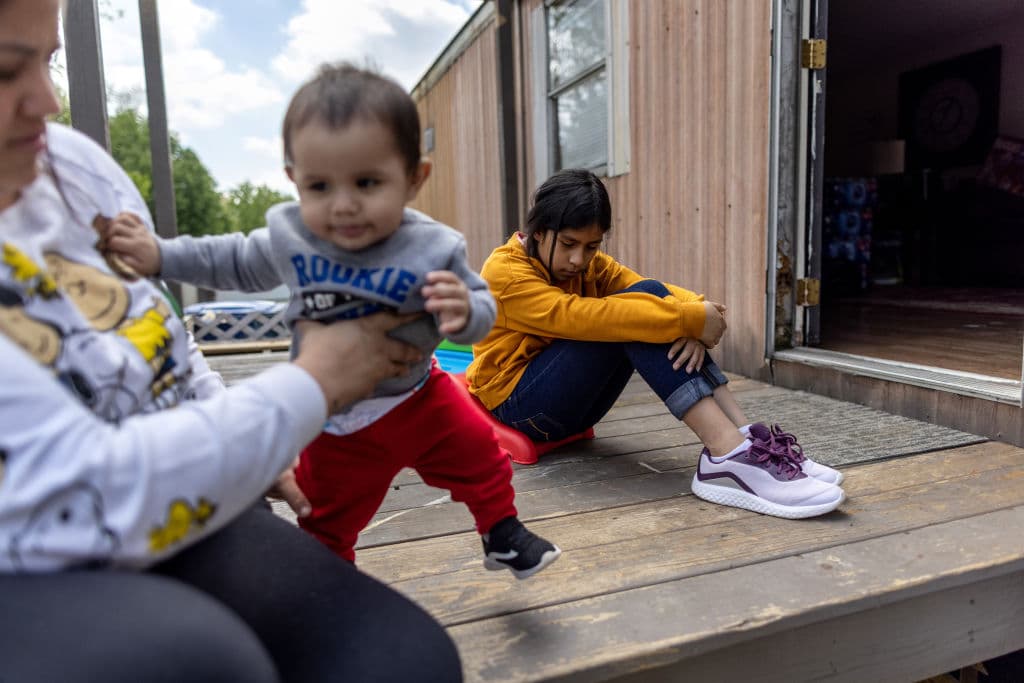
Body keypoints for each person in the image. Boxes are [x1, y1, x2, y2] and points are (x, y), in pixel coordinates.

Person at [0, 1, 463, 680]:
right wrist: (313, 384)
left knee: (403, 658)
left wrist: (246, 443)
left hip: (172, 495)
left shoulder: (69, 164)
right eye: (11, 69)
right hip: (41, 537)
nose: (49, 99)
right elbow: (80, 489)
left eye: (50, 60)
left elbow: (154, 333)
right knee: (206, 662)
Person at [106, 63, 560, 579]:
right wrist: (160, 255)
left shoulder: (432, 246)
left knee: (482, 454)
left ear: (415, 178)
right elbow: (227, 258)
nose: (344, 206)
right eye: (320, 186)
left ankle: (501, 532)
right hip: (335, 417)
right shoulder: (292, 235)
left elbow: (482, 312)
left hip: (418, 396)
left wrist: (464, 313)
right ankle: (331, 580)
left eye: (367, 183)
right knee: (323, 513)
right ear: (294, 181)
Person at [467, 168, 846, 519]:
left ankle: (749, 440)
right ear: (538, 231)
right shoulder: (506, 274)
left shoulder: (589, 265)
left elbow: (652, 289)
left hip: (571, 409)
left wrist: (696, 311)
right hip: (519, 408)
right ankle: (725, 454)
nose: (578, 259)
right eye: (568, 244)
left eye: (591, 246)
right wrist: (689, 319)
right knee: (631, 316)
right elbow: (576, 317)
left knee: (645, 300)